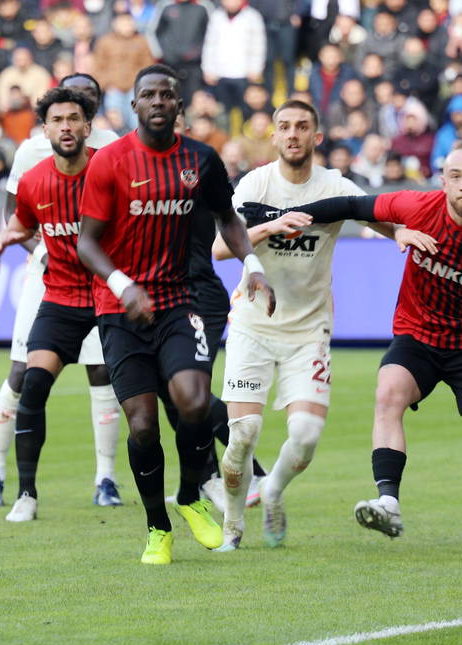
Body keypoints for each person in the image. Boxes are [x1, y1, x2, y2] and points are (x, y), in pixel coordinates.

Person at [246, 141, 462, 559]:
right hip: (417, 337)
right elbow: (351, 205)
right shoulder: (415, 205)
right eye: (455, 176)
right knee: (388, 392)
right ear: (441, 180)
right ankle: (389, 503)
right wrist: (279, 217)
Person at [210, 100, 435, 551]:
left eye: (302, 127)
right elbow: (219, 247)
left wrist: (401, 233)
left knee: (307, 436)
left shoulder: (333, 184)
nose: (292, 134)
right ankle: (232, 525)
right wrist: (273, 226)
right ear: (273, 136)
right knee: (243, 435)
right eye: (284, 127)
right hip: (254, 324)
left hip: (309, 330)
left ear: (316, 137)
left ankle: (272, 489)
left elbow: (369, 212)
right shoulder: (255, 184)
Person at [75, 64, 275, 565]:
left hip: (176, 301)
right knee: (142, 425)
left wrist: (251, 263)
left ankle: (188, 496)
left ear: (179, 105)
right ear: (135, 105)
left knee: (193, 401)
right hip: (119, 309)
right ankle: (157, 527)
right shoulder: (110, 162)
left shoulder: (201, 160)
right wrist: (122, 286)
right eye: (149, 94)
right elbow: (86, 243)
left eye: (168, 94)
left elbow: (227, 217)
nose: (159, 101)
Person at [0, 73, 124, 510]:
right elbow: (15, 216)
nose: (73, 112)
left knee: (102, 374)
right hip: (48, 281)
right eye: (65, 105)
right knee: (23, 373)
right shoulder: (32, 152)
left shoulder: (112, 147)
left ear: (91, 112)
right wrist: (42, 250)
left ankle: (106, 479)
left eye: (86, 101)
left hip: (100, 286)